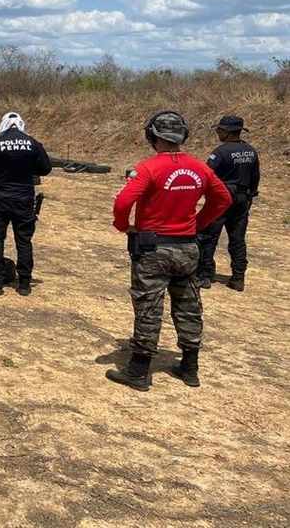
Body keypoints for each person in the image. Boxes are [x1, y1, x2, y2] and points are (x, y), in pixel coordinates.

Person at [109, 111, 232, 391]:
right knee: (189, 306)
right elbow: (223, 198)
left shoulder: (149, 168)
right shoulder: (200, 168)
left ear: (153, 136)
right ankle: (189, 367)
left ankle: (139, 371)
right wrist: (197, 224)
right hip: (187, 247)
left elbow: (123, 202)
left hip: (153, 249)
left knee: (149, 307)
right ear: (183, 136)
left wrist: (123, 226)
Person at [0, 112, 52, 296]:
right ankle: (25, 284)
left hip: (1, 200)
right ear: (21, 124)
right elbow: (46, 168)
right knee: (24, 242)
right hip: (24, 200)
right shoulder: (33, 144)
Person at [196, 115, 260, 292]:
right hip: (242, 198)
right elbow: (255, 176)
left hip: (221, 199)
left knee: (208, 237)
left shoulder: (220, 152)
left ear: (229, 132)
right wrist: (251, 196)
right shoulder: (251, 151)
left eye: (220, 130)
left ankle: (204, 275)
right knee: (237, 239)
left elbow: (206, 175)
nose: (218, 133)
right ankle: (238, 278)